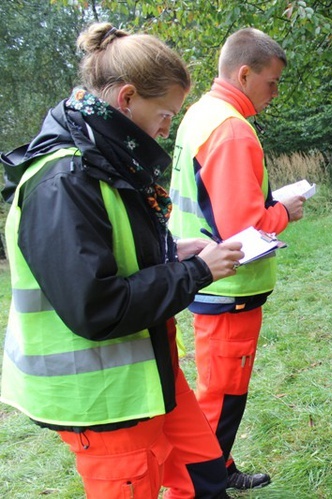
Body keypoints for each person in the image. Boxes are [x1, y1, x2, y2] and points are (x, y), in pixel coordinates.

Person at [0, 23, 244, 498]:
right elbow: (97, 305)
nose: (168, 127)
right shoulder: (64, 181)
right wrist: (195, 272)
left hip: (149, 376)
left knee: (204, 480)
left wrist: (174, 255)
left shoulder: (107, 160)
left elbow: (118, 254)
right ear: (127, 98)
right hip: (105, 403)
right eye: (166, 113)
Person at [168, 27, 305, 490]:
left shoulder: (200, 114)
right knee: (222, 399)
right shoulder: (230, 128)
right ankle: (199, 486)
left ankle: (220, 468)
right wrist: (284, 210)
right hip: (228, 288)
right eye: (272, 82)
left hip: (205, 279)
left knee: (220, 395)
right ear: (244, 74)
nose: (275, 93)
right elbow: (244, 231)